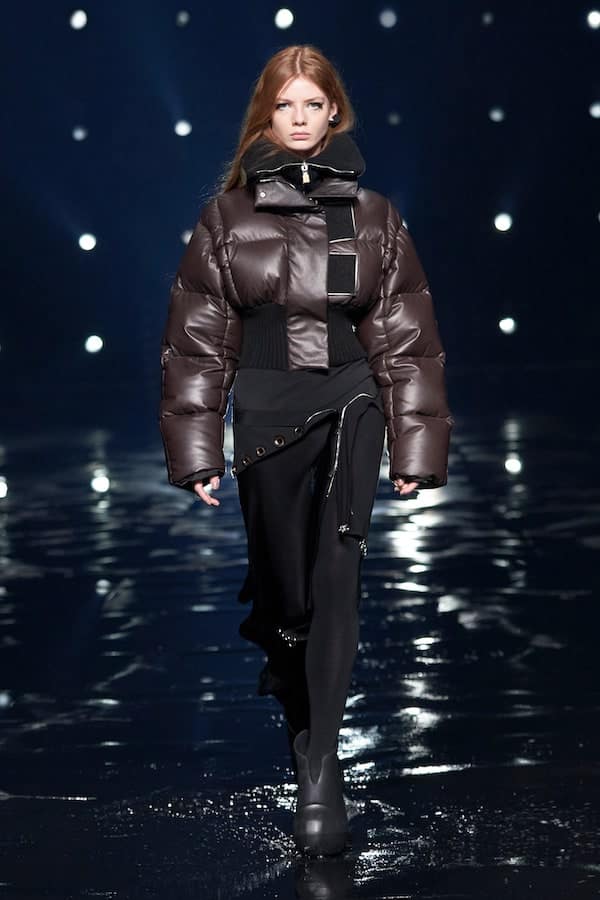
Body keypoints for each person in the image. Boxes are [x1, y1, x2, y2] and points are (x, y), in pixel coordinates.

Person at [158, 44, 454, 857]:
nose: (298, 118)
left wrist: (415, 448)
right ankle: (304, 728)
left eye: (312, 105)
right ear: (267, 115)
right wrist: (196, 450)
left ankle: (321, 770)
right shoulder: (227, 218)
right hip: (264, 417)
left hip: (350, 405)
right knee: (285, 604)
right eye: (284, 105)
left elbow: (406, 337)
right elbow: (197, 340)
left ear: (333, 114)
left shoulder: (374, 215)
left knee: (336, 585)